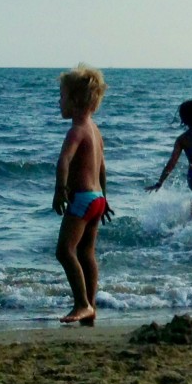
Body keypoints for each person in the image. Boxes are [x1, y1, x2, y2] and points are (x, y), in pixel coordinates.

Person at [52, 64, 113, 326]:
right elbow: (102, 167)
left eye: (62, 96)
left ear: (76, 101)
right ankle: (91, 305)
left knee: (65, 251)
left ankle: (81, 303)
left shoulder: (75, 131)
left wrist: (59, 190)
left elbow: (63, 161)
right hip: (97, 198)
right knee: (87, 252)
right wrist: (105, 198)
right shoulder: (95, 130)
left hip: (81, 198)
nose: (59, 101)